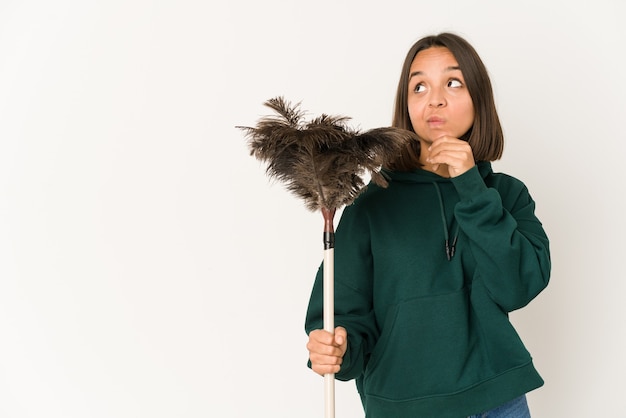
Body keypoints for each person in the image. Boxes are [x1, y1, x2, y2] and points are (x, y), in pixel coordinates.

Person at [305, 32, 551, 418]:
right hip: (404, 406)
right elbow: (342, 318)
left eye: (453, 82)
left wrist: (470, 186)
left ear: (479, 100)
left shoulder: (505, 195)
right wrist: (337, 348)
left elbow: (518, 287)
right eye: (419, 86)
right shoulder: (371, 207)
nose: (435, 98)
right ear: (407, 105)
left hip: (499, 401)